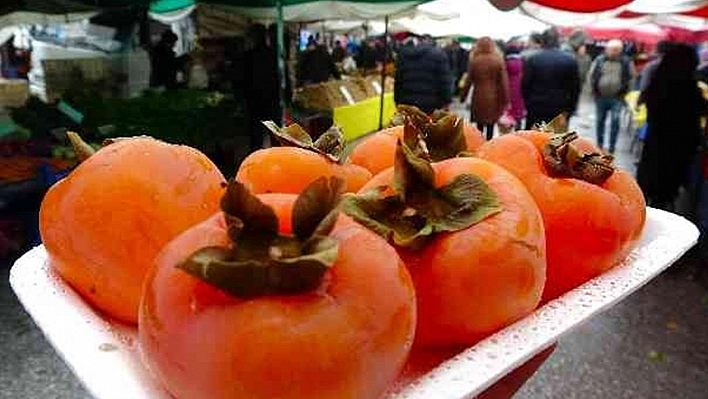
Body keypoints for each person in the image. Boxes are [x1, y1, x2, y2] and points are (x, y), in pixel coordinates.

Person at [637, 44, 707, 210]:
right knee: (668, 188)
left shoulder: (657, 84)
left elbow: (650, 109)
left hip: (656, 142)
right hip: (680, 146)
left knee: (653, 182)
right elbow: (701, 110)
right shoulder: (690, 89)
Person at [522, 28, 581, 129]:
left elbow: (525, 85)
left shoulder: (533, 59)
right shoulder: (570, 60)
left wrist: (528, 104)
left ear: (543, 41)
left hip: (537, 107)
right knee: (556, 141)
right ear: (558, 41)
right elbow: (575, 88)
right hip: (561, 107)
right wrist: (571, 108)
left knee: (534, 140)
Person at [588, 39, 634, 154]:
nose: (613, 52)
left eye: (616, 50)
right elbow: (591, 75)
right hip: (601, 97)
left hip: (617, 98)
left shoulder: (626, 62)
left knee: (615, 121)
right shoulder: (599, 60)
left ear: (620, 51)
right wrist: (593, 91)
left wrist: (626, 94)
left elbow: (631, 78)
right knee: (600, 121)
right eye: (611, 49)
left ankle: (612, 147)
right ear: (607, 49)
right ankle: (599, 145)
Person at [461, 37, 509, 140]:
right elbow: (503, 83)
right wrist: (506, 100)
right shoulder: (498, 61)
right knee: (491, 123)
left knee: (479, 123)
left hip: (478, 95)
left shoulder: (474, 61)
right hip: (493, 96)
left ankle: (479, 143)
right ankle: (489, 143)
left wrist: (463, 96)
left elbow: (468, 81)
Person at [243, 24, 280, 151]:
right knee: (274, 135)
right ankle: (278, 160)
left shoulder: (248, 56)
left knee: (256, 138)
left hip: (255, 102)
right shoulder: (274, 54)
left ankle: (256, 162)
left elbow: (242, 79)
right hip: (272, 100)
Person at [394, 34, 452, 114]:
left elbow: (398, 81)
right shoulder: (439, 55)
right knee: (428, 126)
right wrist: (447, 101)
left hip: (407, 102)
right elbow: (444, 81)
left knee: (409, 125)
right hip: (431, 104)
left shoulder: (403, 55)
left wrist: (397, 101)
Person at [505, 42, 525, 130]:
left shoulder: (505, 64)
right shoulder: (523, 62)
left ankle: (508, 135)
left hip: (508, 89)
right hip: (520, 89)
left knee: (508, 114)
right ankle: (518, 132)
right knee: (518, 114)